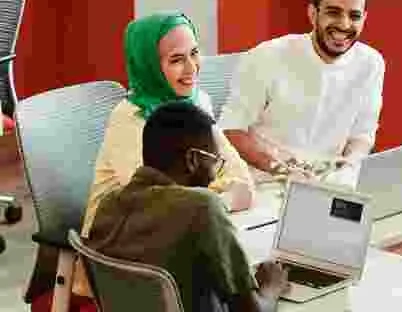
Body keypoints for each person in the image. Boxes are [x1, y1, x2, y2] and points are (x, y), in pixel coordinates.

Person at [86, 100, 289, 312]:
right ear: (193, 160)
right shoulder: (201, 207)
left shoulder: (108, 205)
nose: (214, 174)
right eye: (214, 162)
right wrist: (271, 287)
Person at [82, 13, 255, 237]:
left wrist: (217, 197)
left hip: (178, 230)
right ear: (149, 65)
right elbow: (157, 200)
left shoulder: (198, 101)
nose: (191, 68)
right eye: (176, 59)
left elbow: (237, 174)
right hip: (118, 240)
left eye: (194, 53)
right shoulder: (129, 118)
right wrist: (221, 199)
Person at [219, 0, 385, 175]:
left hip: (330, 179)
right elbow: (231, 130)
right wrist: (279, 169)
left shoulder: (371, 63)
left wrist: (349, 165)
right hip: (267, 177)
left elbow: (362, 135)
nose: (344, 24)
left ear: (364, 19)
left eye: (354, 16)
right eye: (333, 12)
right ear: (313, 14)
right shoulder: (267, 56)